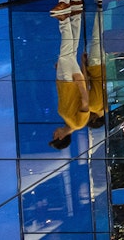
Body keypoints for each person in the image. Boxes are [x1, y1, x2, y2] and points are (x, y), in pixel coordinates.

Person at [49, 12, 90, 149]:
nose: (54, 133)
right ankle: (64, 19)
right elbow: (85, 102)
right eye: (54, 136)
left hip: (67, 81)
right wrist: (80, 84)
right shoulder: (77, 124)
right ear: (60, 137)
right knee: (65, 54)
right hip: (69, 81)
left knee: (70, 51)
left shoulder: (68, 120)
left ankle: (75, 16)